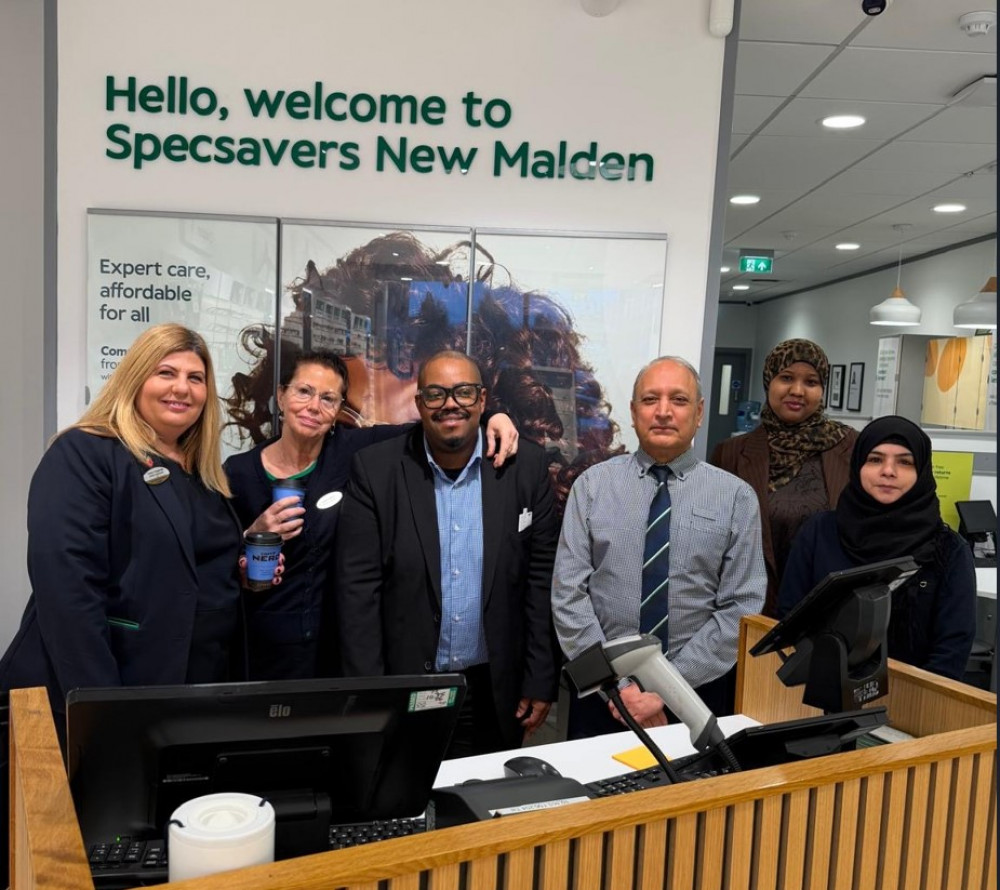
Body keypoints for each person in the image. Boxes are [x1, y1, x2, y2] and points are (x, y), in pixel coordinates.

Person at [225, 231, 625, 514]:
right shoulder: (266, 479)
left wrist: (493, 414)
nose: (375, 429)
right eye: (345, 415)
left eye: (422, 410)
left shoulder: (491, 492)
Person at [0, 324, 262, 728]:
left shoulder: (205, 473)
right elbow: (68, 591)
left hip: (193, 692)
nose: (182, 388)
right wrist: (104, 711)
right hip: (106, 694)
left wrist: (237, 569)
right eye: (166, 373)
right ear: (135, 378)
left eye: (196, 378)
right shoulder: (86, 453)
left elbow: (185, 559)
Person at [224, 348, 518, 680]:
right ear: (281, 395)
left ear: (338, 409)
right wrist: (252, 537)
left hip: (333, 653)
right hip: (261, 651)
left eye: (328, 398)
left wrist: (492, 416)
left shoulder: (352, 451)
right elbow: (215, 565)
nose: (313, 407)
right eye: (303, 392)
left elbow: (431, 424)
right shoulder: (239, 473)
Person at [334, 351, 560, 756]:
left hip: (494, 689)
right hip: (405, 688)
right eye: (436, 394)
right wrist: (371, 693)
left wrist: (540, 676)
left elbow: (541, 580)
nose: (450, 403)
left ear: (482, 399)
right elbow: (357, 593)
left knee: (484, 810)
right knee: (405, 807)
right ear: (419, 403)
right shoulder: (377, 470)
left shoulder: (523, 466)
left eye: (463, 392)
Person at [552, 357, 766, 739]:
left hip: (698, 694)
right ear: (633, 413)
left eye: (679, 400)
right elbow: (569, 595)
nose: (664, 412)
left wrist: (668, 688)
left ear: (699, 413)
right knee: (597, 796)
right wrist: (617, 687)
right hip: (603, 698)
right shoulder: (591, 488)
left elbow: (741, 605)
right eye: (651, 399)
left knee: (691, 796)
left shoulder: (735, 498)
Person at [778, 415, 976, 681]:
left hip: (913, 702)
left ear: (922, 472)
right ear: (858, 465)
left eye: (905, 462)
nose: (888, 471)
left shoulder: (948, 550)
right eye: (875, 459)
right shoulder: (819, 532)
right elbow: (791, 616)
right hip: (821, 691)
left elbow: (952, 647)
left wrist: (916, 704)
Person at [710, 339, 857, 617]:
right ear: (769, 381)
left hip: (831, 612)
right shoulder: (731, 453)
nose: (797, 391)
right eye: (786, 378)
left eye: (811, 382)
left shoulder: (851, 448)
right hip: (753, 611)